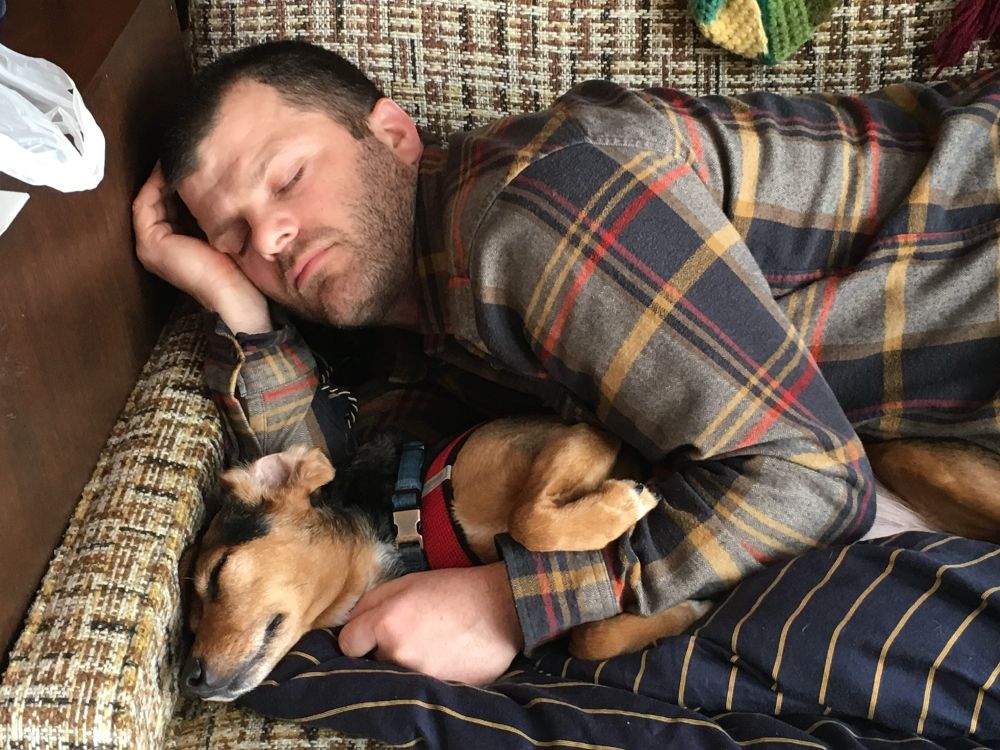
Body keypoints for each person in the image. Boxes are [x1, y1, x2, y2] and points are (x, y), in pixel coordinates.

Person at [133, 39, 1000, 685]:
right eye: (236, 234)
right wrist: (237, 306)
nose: (271, 238)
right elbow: (327, 493)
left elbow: (813, 480)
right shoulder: (428, 323)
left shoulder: (530, 220)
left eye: (286, 178)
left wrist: (510, 603)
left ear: (393, 135)